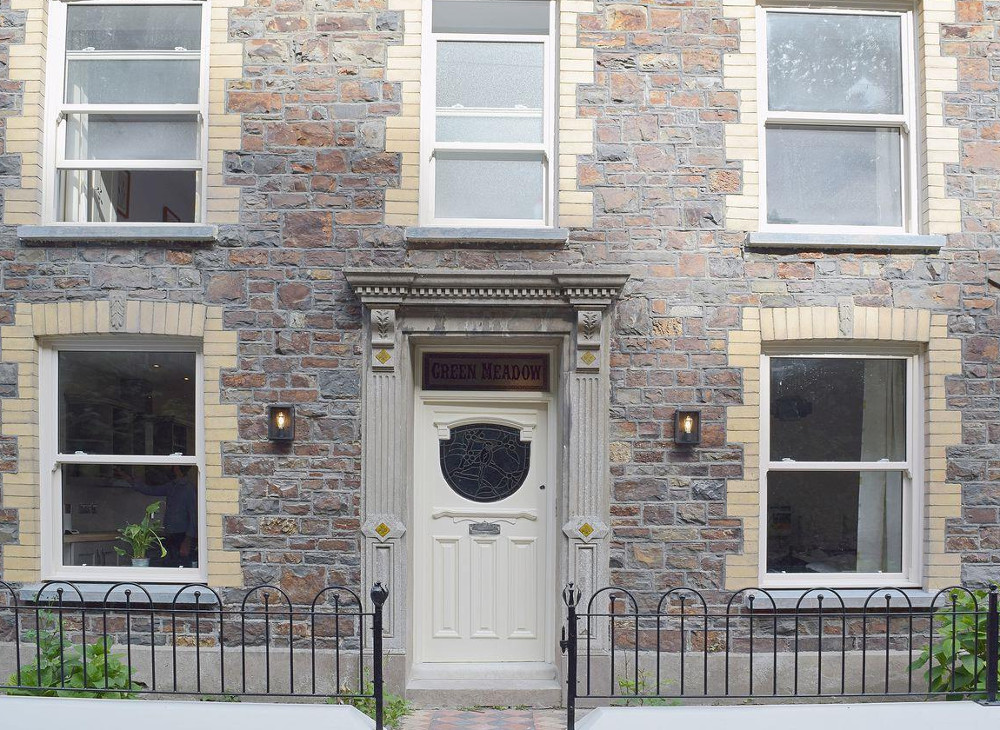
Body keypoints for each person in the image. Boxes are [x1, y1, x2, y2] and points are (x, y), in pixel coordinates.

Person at [115, 465, 198, 567]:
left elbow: (194, 515)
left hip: (183, 536)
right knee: (169, 565)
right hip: (169, 534)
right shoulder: (172, 486)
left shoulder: (188, 488)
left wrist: (187, 541)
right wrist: (128, 478)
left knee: (183, 566)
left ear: (177, 468)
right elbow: (150, 490)